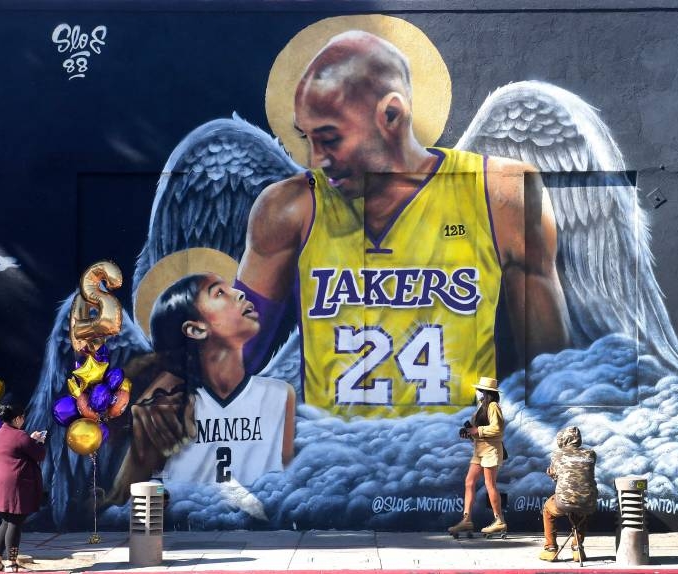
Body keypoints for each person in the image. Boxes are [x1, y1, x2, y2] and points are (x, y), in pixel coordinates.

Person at [235, 30, 569, 419]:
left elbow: (552, 374)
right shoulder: (290, 207)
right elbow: (231, 355)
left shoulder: (501, 195)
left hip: (454, 458)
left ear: (391, 115)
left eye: (329, 138)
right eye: (306, 138)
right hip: (334, 467)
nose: (315, 159)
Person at [109, 271, 296, 502]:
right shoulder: (167, 407)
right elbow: (124, 499)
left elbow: (287, 485)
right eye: (219, 292)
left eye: (231, 288)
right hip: (188, 524)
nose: (239, 293)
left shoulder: (280, 395)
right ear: (195, 329)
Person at [0, 402, 46, 573]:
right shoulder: (20, 436)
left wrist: (31, 439)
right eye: (22, 417)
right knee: (15, 522)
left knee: (5, 521)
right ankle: (11, 562)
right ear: (16, 418)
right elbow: (39, 455)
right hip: (15, 484)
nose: (23, 420)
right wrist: (39, 442)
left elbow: (18, 449)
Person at [448, 377, 507, 537]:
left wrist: (476, 431)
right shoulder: (482, 406)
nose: (480, 393)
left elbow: (498, 429)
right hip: (479, 450)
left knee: (490, 484)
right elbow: (477, 430)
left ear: (488, 393)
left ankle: (499, 520)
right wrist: (468, 433)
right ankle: (466, 519)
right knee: (469, 482)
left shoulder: (493, 406)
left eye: (482, 391)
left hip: (490, 450)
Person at [539, 426, 597, 562]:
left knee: (547, 509)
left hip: (564, 502)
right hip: (589, 502)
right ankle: (578, 549)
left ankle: (550, 549)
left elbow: (556, 476)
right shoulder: (591, 454)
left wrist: (551, 474)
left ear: (564, 439)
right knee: (582, 510)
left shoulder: (557, 454)